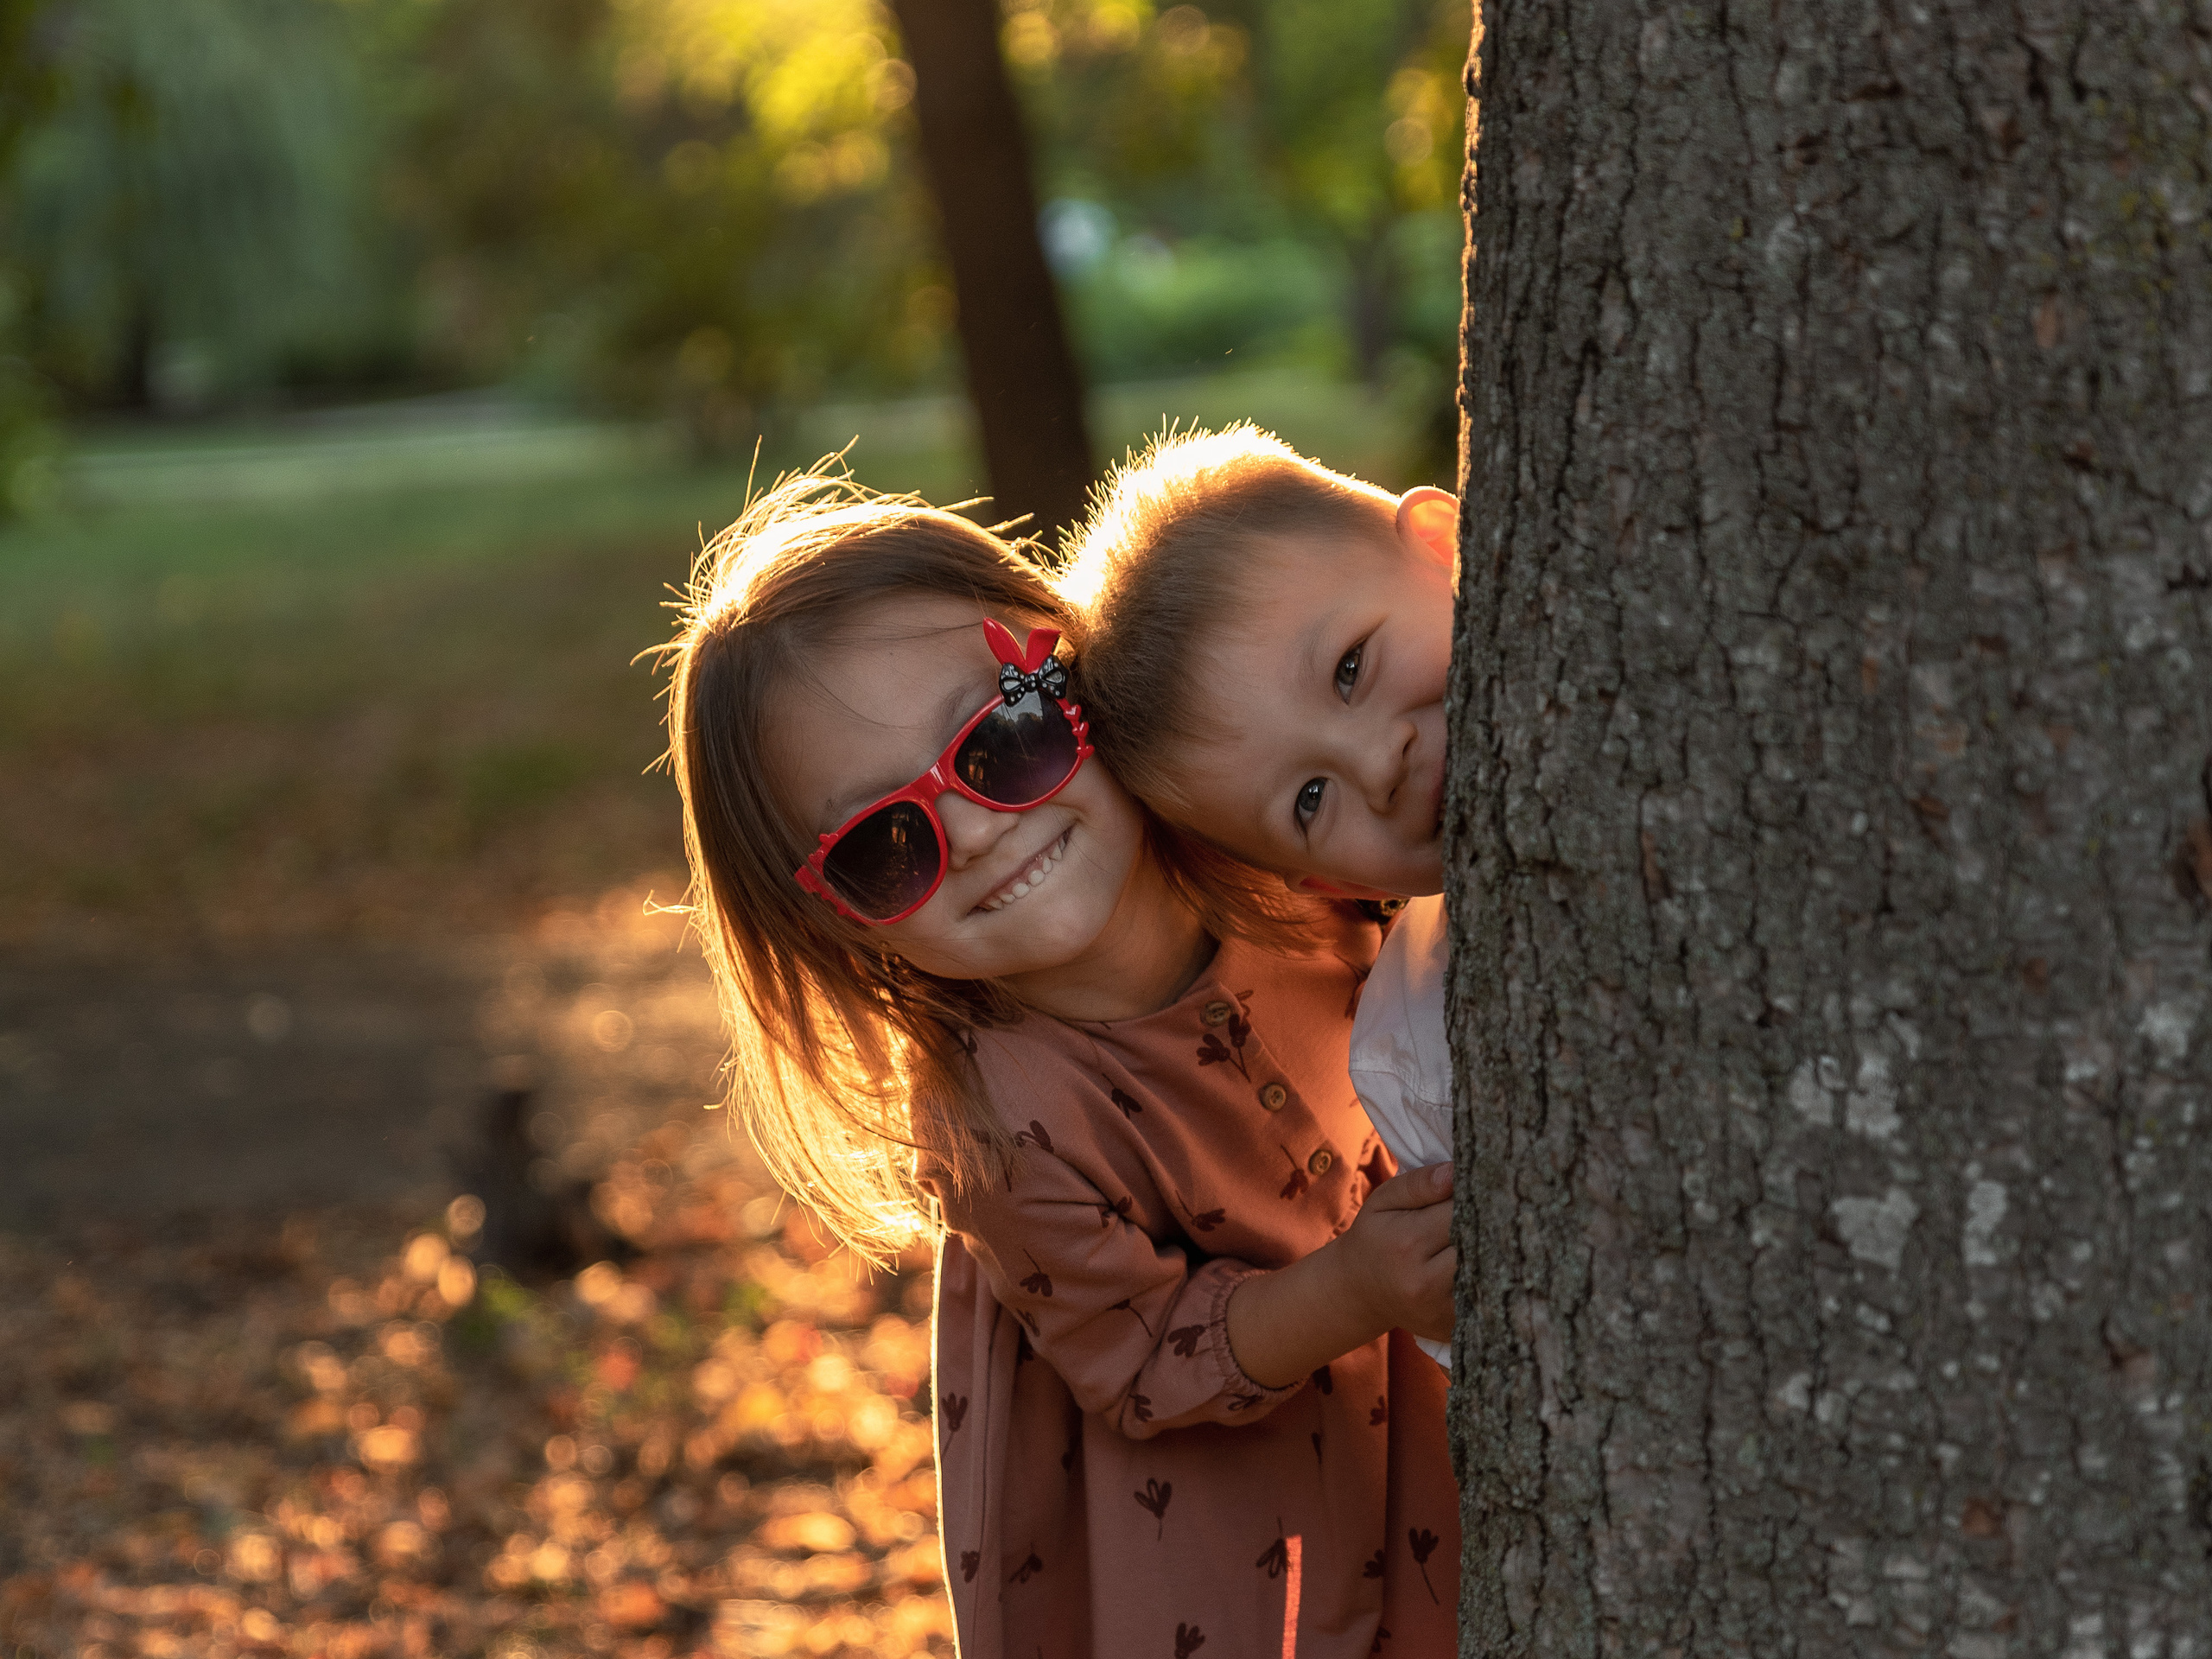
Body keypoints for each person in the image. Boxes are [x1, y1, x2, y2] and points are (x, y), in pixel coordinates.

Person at [659, 470, 1459, 1657]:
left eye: (1004, 737)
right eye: (888, 844)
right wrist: (1355, 1290)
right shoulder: (1001, 1116)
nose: (979, 829)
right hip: (1225, 1522)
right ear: (838, 916)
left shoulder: (1270, 829)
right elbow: (1140, 1362)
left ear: (1076, 685)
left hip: (1415, 1402)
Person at [1058, 425, 1459, 1367]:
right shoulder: (1412, 1055)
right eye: (1309, 800)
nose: (1378, 763)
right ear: (1331, 883)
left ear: (1441, 546)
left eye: (1349, 666)